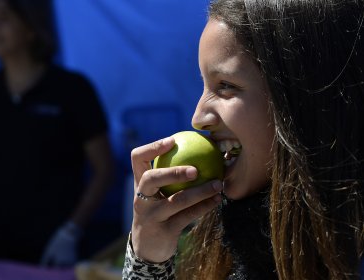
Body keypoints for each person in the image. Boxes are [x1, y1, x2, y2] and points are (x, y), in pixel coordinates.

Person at [122, 0, 364, 279]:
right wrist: (148, 258)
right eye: (204, 84)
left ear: (307, 98)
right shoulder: (239, 240)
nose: (197, 117)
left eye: (225, 86)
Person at [0, 0, 114, 267]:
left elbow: (104, 169)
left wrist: (71, 231)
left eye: (3, 18)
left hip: (55, 247)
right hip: (2, 250)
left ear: (31, 27)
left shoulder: (72, 89)